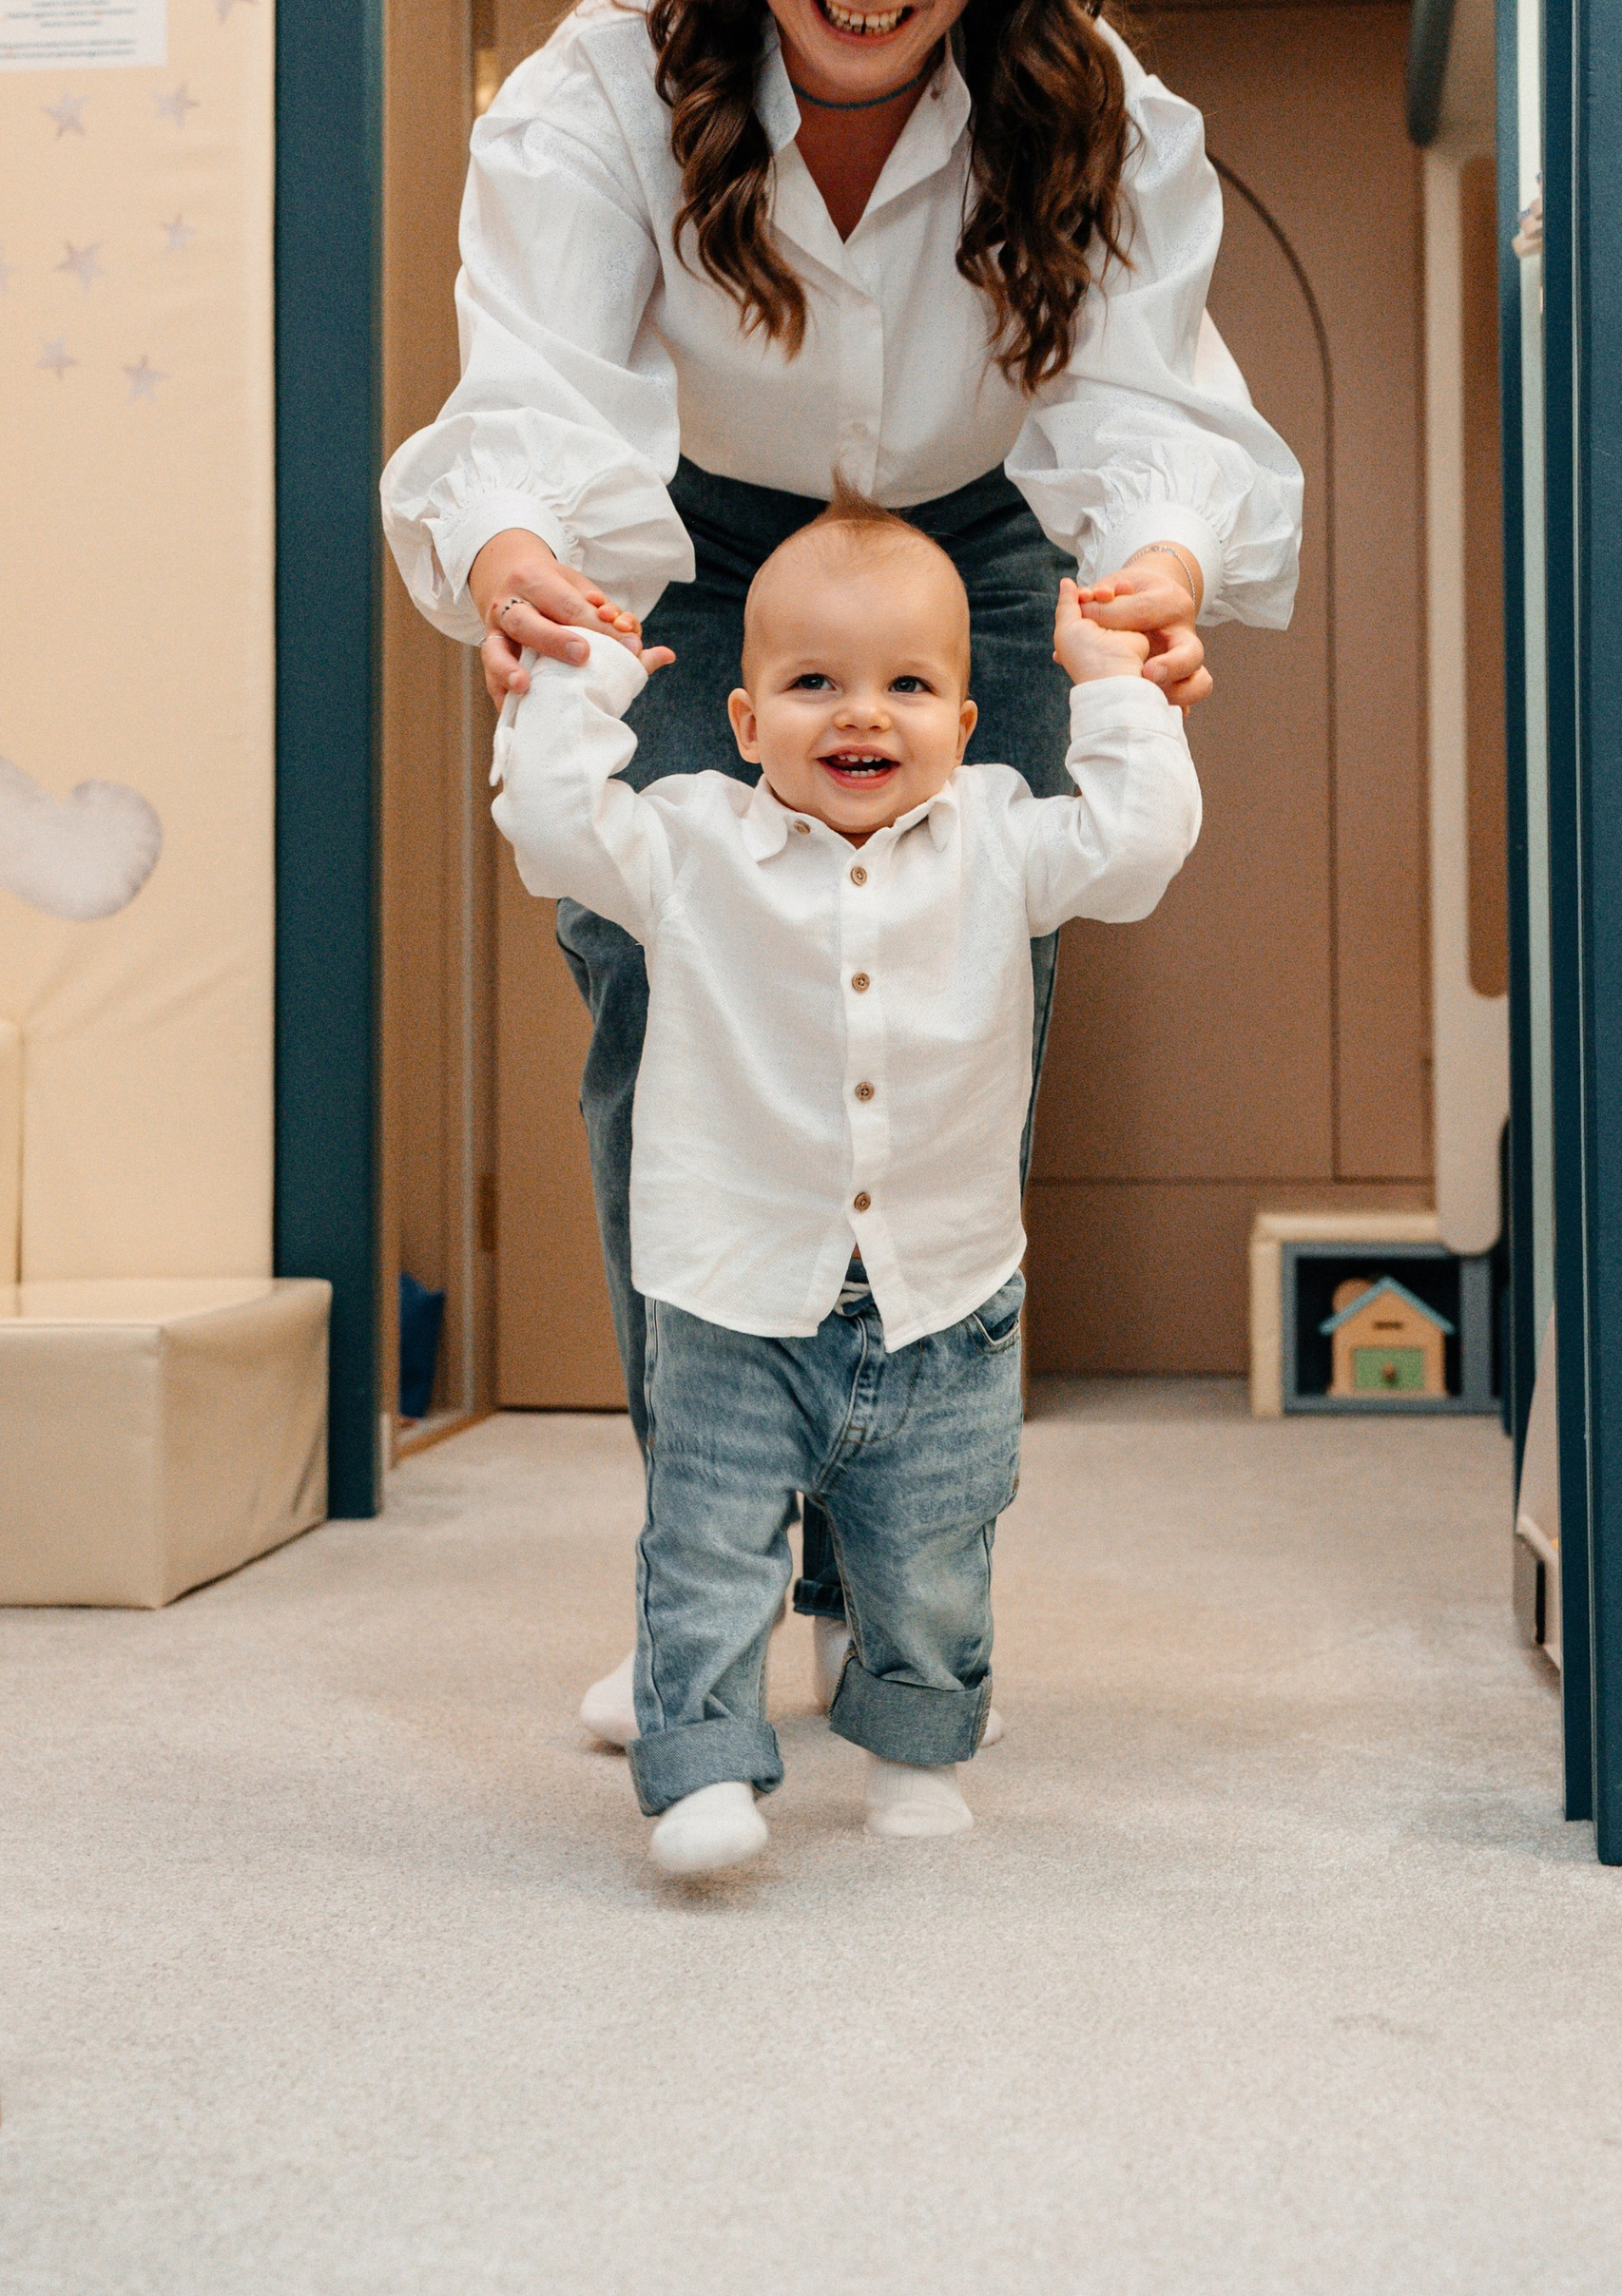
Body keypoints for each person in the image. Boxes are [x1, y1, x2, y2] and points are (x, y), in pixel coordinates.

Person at [380, 0, 1303, 1720]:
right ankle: (705, 1570)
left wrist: (1156, 565)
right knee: (667, 1011)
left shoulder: (1088, 101)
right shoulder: (605, 83)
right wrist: (514, 544)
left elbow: (1145, 401)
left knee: (958, 1005)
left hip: (983, 548)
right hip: (689, 545)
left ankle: (884, 1563)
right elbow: (533, 386)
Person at [491, 488, 1200, 1874]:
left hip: (942, 1291)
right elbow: (550, 832)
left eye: (907, 687)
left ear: (966, 722)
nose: (861, 714)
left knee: (931, 1552)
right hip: (732, 1289)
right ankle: (700, 1768)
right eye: (813, 683)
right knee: (707, 1543)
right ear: (746, 720)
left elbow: (1139, 851)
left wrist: (1114, 689)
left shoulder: (1003, 835)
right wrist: (587, 687)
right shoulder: (688, 839)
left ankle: (916, 1750)